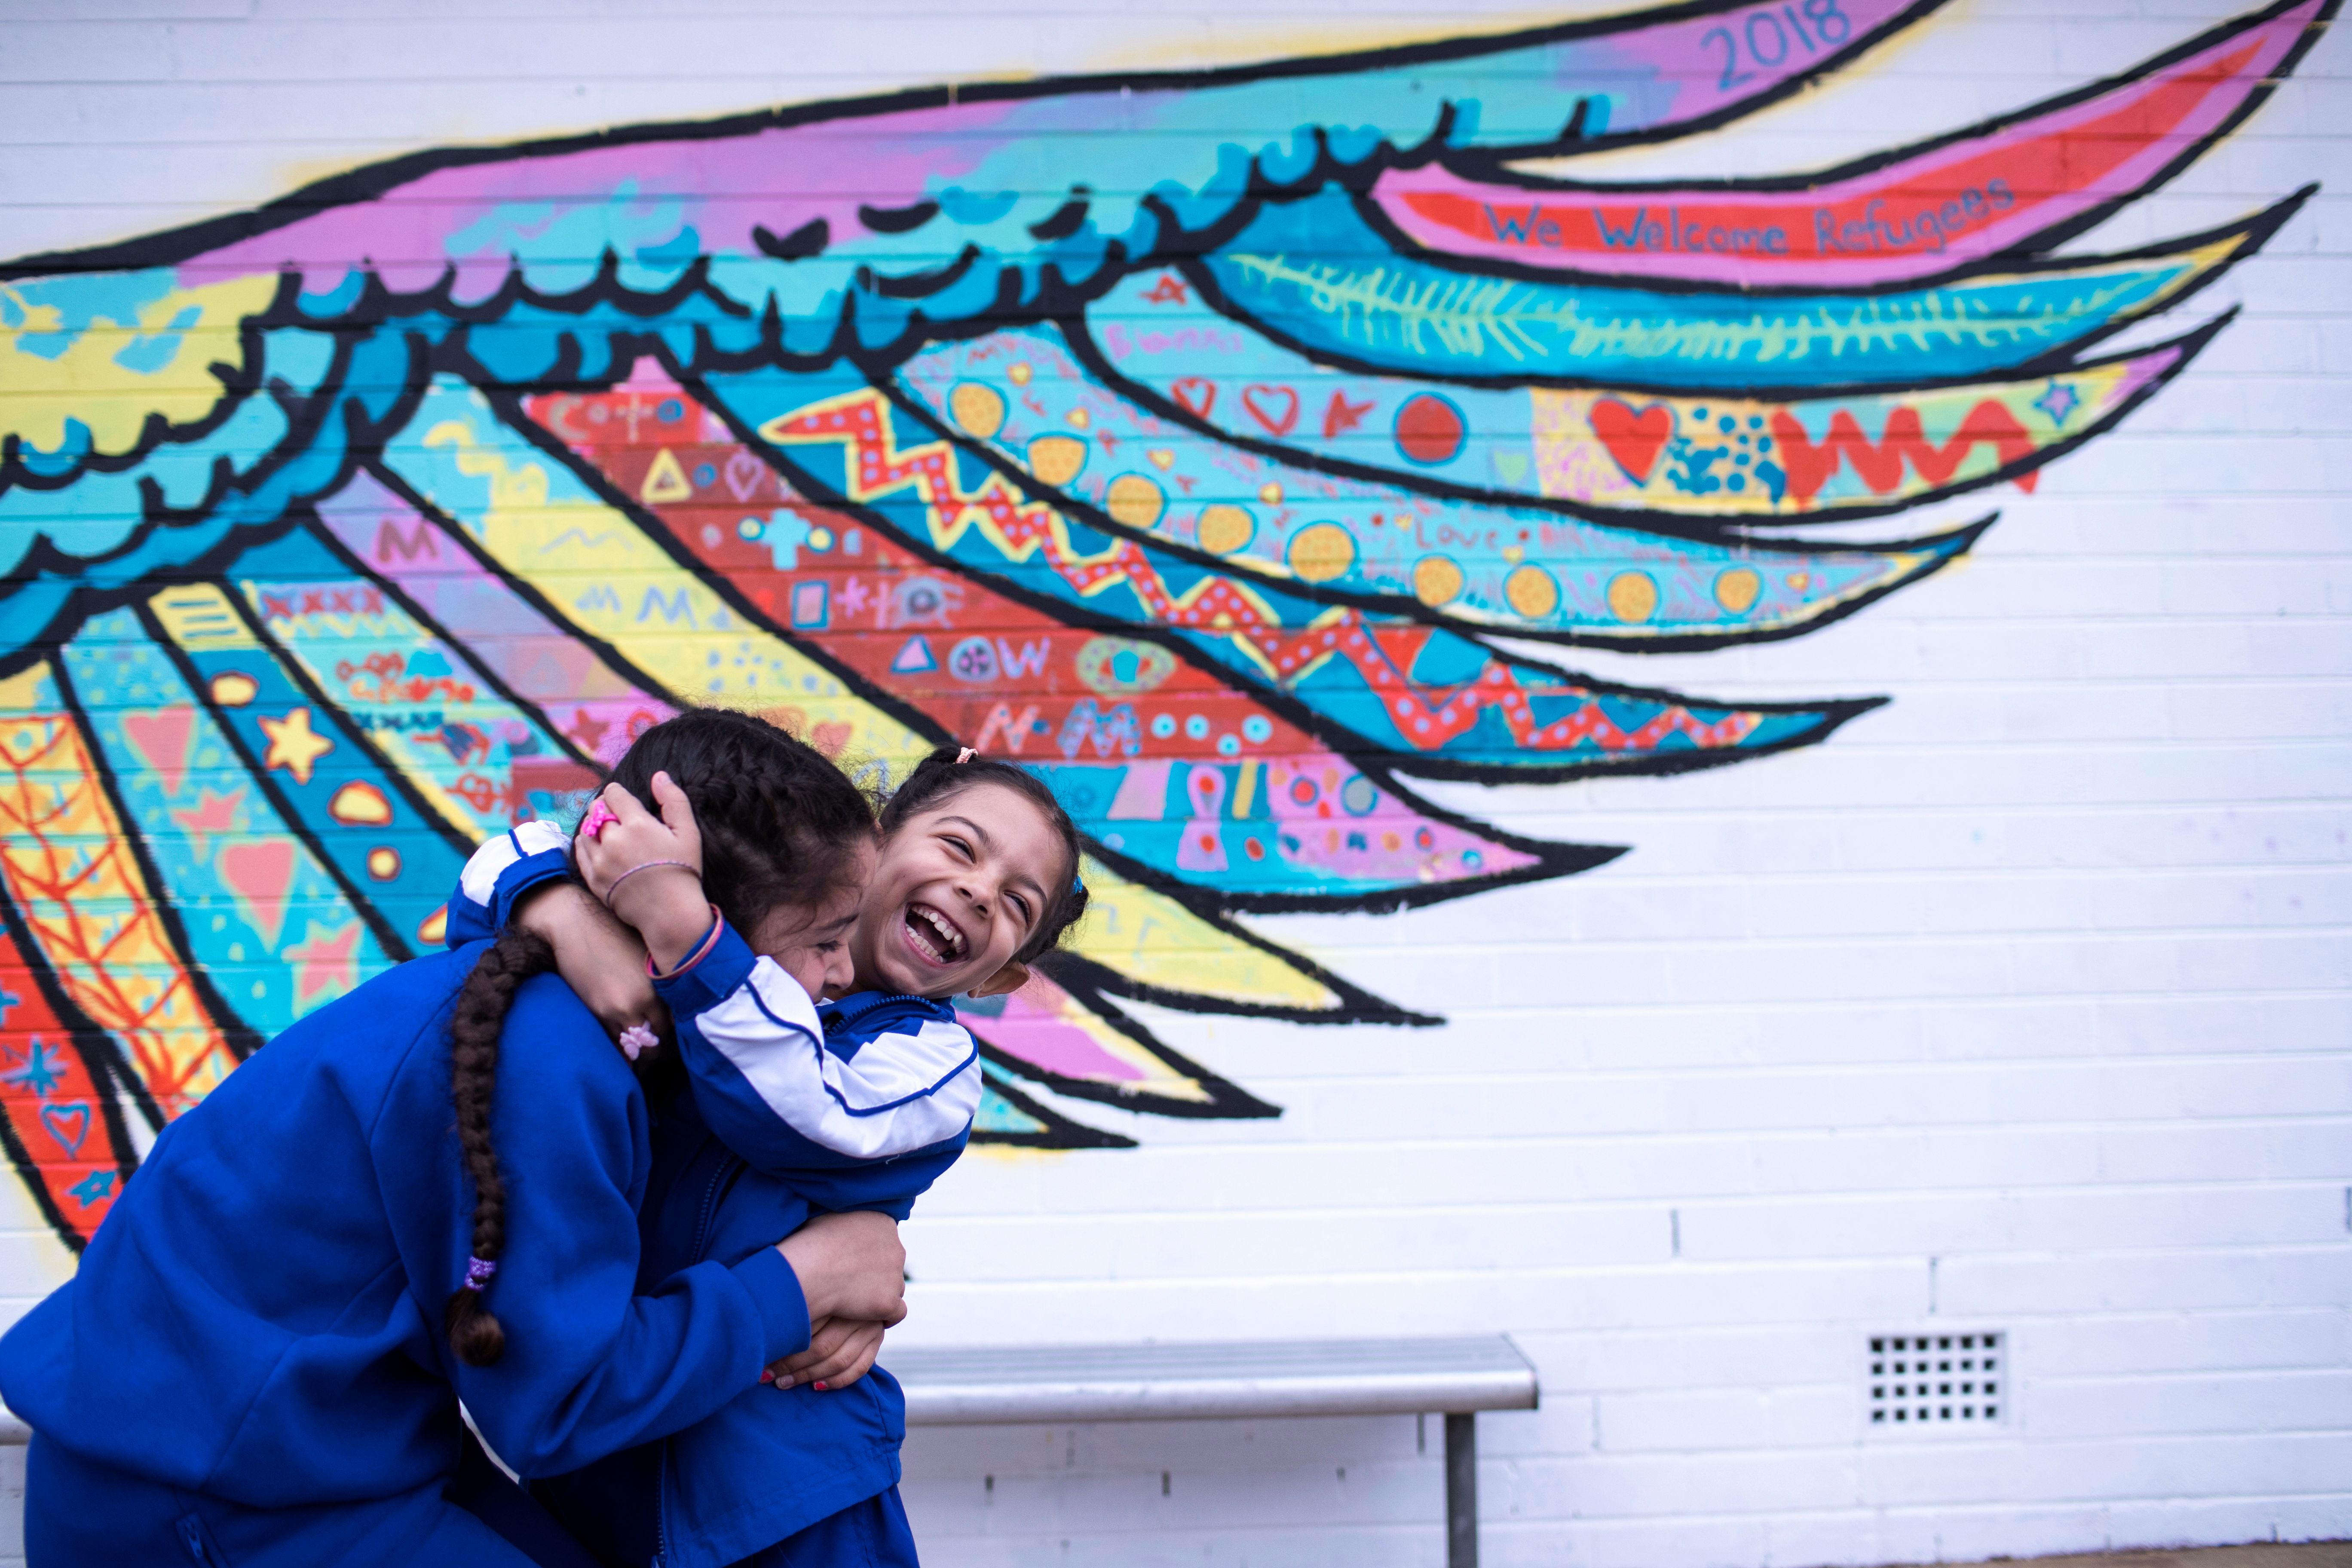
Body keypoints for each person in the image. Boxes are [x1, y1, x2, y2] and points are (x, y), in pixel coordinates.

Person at [0, 710, 910, 1568]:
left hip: (300, 1454)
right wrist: (802, 1283)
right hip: (206, 1495)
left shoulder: (557, 995)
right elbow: (556, 1406)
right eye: (827, 939)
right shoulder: (552, 1060)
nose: (843, 974)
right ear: (700, 919)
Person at [458, 746, 1090, 1568]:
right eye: (960, 848)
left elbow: (802, 1109)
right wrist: (558, 902)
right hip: (606, 1449)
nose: (978, 890)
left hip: (785, 1493)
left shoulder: (930, 1065)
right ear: (874, 838)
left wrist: (689, 936)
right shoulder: (731, 930)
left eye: (1016, 902)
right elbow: (505, 861)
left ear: (1001, 977)